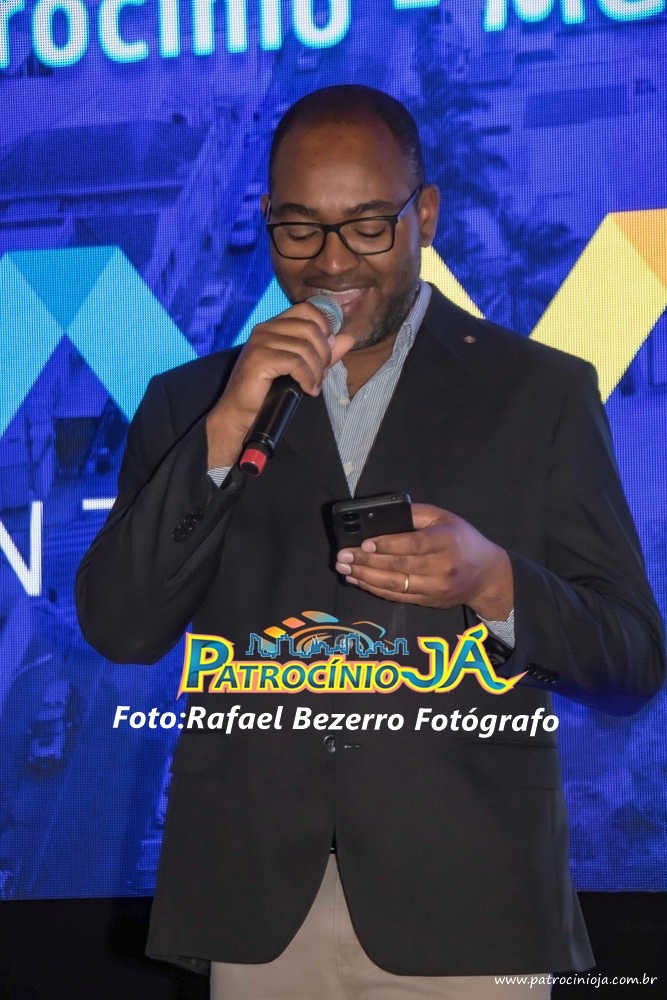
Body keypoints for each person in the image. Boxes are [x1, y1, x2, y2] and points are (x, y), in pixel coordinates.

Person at [76, 85, 665, 999]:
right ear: (266, 218)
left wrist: (496, 584)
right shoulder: (190, 403)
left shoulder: (540, 393)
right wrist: (223, 433)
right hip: (256, 906)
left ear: (423, 214)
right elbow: (120, 626)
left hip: (472, 898)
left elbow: (632, 663)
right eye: (299, 229)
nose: (330, 261)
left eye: (366, 226)